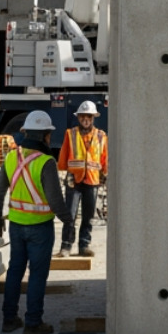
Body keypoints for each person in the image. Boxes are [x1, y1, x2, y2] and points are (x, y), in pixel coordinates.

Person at [0, 111, 70, 334]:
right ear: (45, 136)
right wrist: (68, 221)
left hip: (16, 225)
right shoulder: (46, 162)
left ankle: (9, 319)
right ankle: (33, 323)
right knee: (37, 274)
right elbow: (55, 200)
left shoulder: (10, 157)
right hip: (40, 228)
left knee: (15, 270)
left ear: (25, 133)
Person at [58, 100, 108, 258]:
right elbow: (63, 158)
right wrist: (62, 175)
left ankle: (84, 245)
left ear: (93, 118)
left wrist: (105, 176)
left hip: (92, 181)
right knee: (70, 215)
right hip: (74, 180)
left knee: (88, 216)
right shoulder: (70, 134)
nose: (85, 119)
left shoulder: (101, 136)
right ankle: (66, 246)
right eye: (83, 117)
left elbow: (104, 158)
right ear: (78, 118)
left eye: (89, 117)